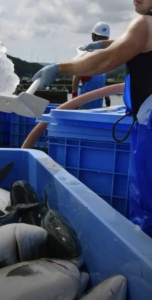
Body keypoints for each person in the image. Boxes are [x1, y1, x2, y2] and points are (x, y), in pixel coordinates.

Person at [32, 0, 152, 236]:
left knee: (147, 206)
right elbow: (125, 45)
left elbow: (108, 59)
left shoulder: (144, 24)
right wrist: (101, 44)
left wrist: (60, 68)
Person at [72, 22, 112, 108]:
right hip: (84, 103)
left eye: (105, 38)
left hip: (98, 104)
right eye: (100, 38)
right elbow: (76, 77)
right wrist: (74, 96)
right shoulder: (86, 55)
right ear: (93, 37)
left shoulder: (104, 58)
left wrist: (106, 95)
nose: (103, 41)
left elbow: (100, 82)